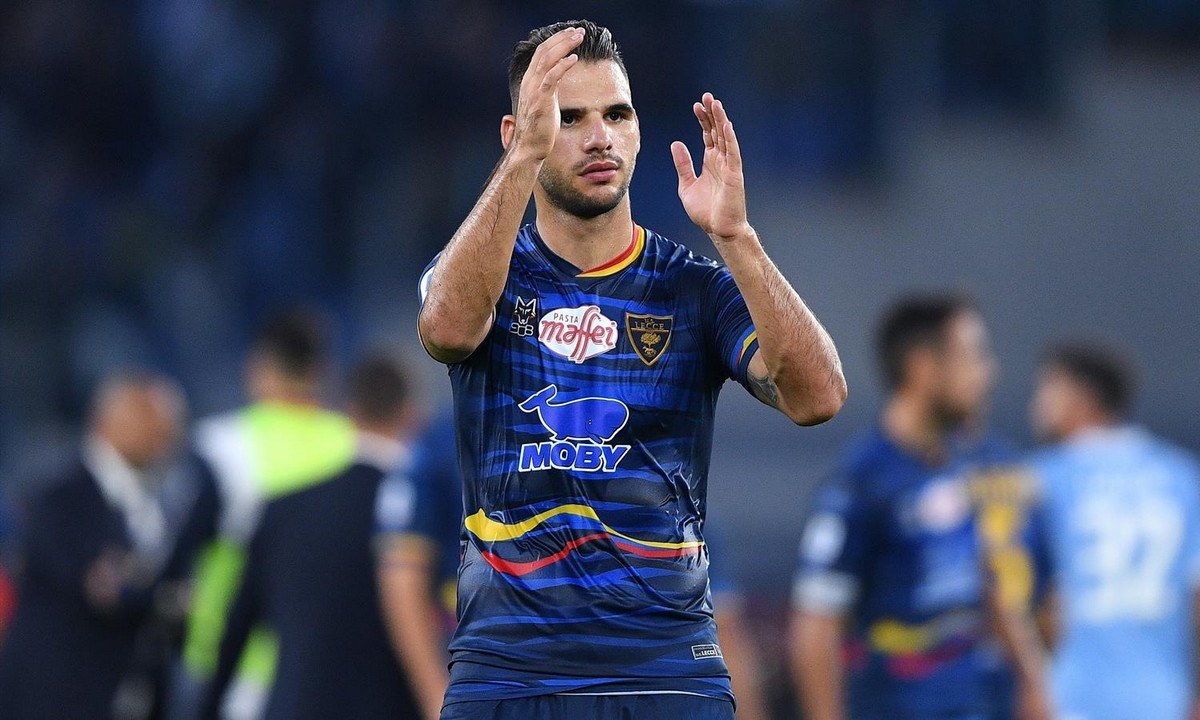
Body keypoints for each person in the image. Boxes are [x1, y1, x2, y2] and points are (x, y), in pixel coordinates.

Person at [416, 19, 846, 720]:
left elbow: (819, 396)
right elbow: (448, 331)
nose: (599, 138)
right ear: (517, 133)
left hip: (666, 673)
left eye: (617, 114)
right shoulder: (484, 277)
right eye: (569, 118)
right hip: (509, 676)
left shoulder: (694, 288)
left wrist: (737, 238)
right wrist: (522, 162)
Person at [789, 294, 1049, 720]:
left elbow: (990, 584)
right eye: (972, 356)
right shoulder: (861, 483)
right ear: (924, 367)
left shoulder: (968, 463)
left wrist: (1034, 683)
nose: (988, 372)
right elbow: (816, 629)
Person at [197, 353, 421, 720]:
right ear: (412, 415)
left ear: (349, 411)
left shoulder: (282, 509)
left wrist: (207, 709)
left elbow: (237, 628)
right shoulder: (425, 514)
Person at [177, 309, 356, 720]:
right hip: (328, 675)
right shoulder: (351, 447)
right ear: (324, 371)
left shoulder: (221, 448)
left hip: (235, 678)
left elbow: (181, 553)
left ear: (258, 367)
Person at [0, 372, 198, 719]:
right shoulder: (59, 498)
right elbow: (105, 588)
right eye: (153, 419)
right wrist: (166, 594)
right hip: (60, 699)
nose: (168, 433)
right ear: (112, 420)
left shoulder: (168, 497)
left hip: (136, 696)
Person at [1025, 344, 1200, 720]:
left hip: (1073, 699)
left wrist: (1030, 682)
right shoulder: (1182, 476)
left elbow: (1024, 597)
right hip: (1164, 700)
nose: (1036, 405)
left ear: (1081, 399)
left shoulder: (1043, 479)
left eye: (1047, 390)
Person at [376, 413, 463, 720]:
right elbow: (402, 572)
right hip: (479, 674)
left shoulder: (441, 441)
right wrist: (436, 694)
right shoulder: (440, 445)